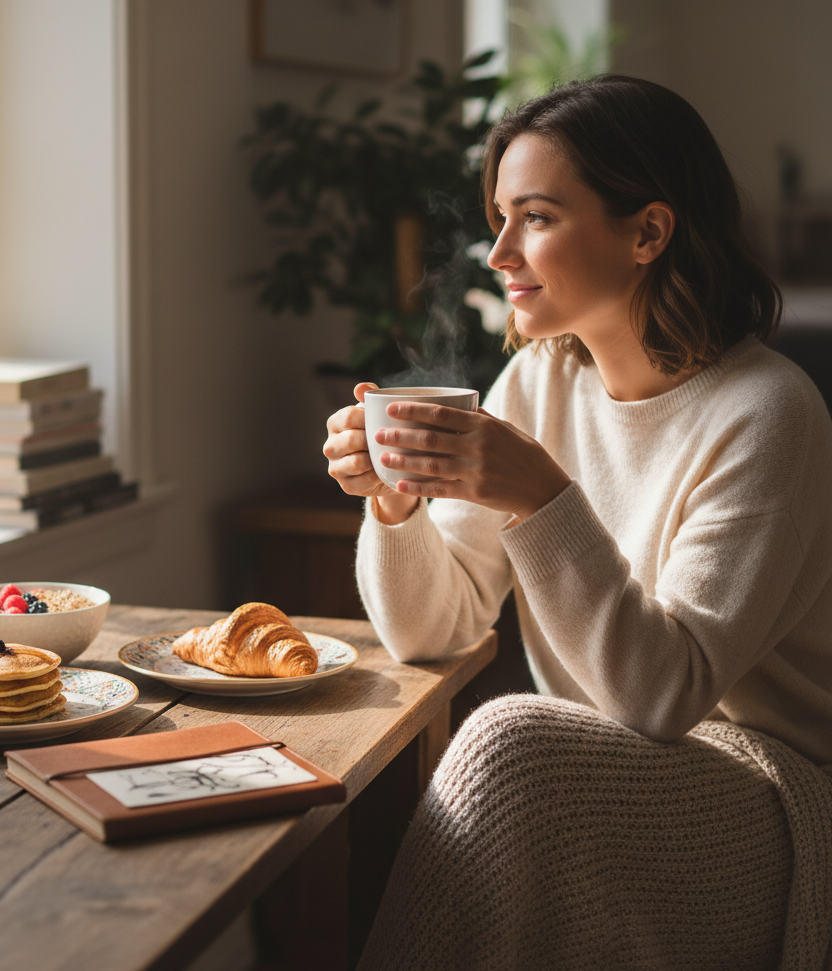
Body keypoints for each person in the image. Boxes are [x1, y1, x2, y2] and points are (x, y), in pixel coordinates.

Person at [323, 76, 832, 970]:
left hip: (769, 795)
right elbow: (429, 631)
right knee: (515, 748)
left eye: (538, 217)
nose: (498, 254)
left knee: (508, 742)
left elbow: (664, 696)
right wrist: (394, 502)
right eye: (498, 217)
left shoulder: (768, 414)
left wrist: (541, 497)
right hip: (597, 774)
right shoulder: (539, 383)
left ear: (648, 232)